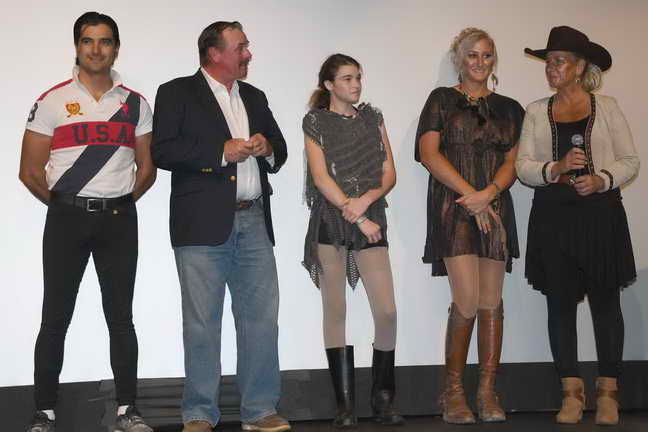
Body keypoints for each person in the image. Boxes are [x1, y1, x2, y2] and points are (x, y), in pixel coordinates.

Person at [18, 11, 156, 432]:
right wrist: (67, 205)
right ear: (77, 46)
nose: (96, 49)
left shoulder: (135, 104)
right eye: (88, 41)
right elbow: (29, 172)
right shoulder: (52, 101)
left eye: (105, 41)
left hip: (119, 220)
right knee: (54, 318)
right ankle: (44, 412)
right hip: (66, 220)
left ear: (116, 47)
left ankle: (127, 411)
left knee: (121, 319)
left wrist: (117, 203)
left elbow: (147, 169)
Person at [151, 21, 289, 432]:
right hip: (200, 225)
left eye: (246, 47)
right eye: (240, 47)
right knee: (201, 323)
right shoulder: (176, 92)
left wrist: (267, 148)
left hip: (254, 220)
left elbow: (280, 150)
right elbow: (163, 151)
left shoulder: (254, 96)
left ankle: (260, 410)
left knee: (261, 320)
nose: (248, 54)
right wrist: (220, 152)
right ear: (215, 53)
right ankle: (198, 414)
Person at [517, 26, 639, 426]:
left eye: (560, 61)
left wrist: (602, 179)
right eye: (549, 62)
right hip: (553, 218)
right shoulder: (536, 110)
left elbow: (630, 160)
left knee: (606, 303)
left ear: (580, 67)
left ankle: (608, 393)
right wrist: (555, 168)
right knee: (559, 305)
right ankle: (570, 392)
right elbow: (522, 166)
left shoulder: (608, 107)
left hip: (601, 216)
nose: (552, 68)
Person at [415, 28, 524, 424]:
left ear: (494, 60)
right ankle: (453, 392)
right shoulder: (441, 100)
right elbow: (429, 154)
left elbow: (513, 162)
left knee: (491, 301)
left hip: (494, 207)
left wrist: (489, 193)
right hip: (454, 206)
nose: (480, 62)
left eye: (487, 55)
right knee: (466, 298)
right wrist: (472, 196)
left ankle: (487, 391)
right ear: (459, 59)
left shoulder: (510, 108)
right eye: (472, 55)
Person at [302, 54, 404, 428]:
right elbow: (321, 178)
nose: (356, 84)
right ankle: (344, 405)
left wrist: (366, 202)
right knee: (336, 310)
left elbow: (389, 173)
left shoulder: (373, 118)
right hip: (332, 220)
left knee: (387, 311)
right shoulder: (315, 121)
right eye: (347, 78)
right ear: (329, 84)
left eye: (358, 77)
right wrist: (355, 213)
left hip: (371, 217)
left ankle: (382, 399)